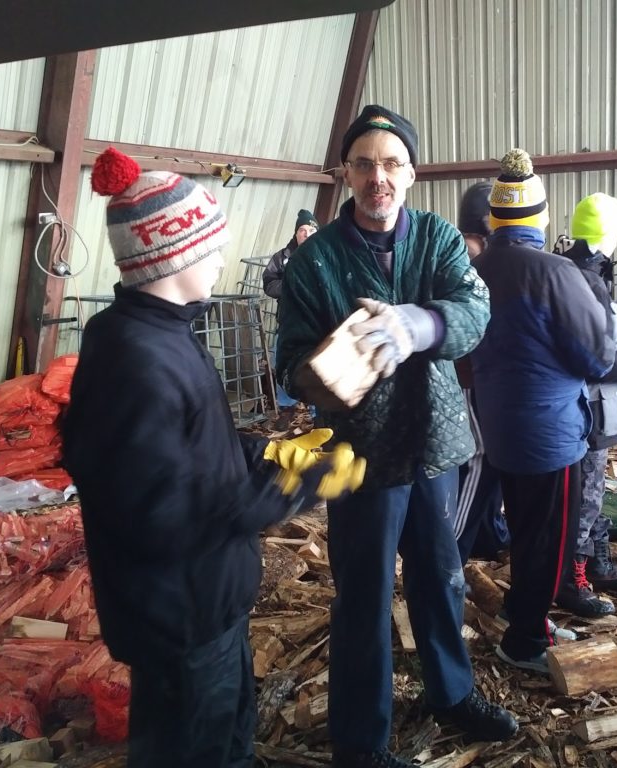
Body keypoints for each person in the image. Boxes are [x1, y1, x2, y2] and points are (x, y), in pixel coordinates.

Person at [63, 148, 362, 768]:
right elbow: (169, 511)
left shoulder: (159, 334)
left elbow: (196, 449)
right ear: (177, 254)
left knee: (227, 740)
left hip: (202, 608)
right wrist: (295, 484)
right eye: (214, 246)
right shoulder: (141, 363)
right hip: (181, 619)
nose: (224, 258)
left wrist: (265, 450)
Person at [276, 105, 517, 768]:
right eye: (364, 164)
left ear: (411, 172)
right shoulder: (316, 262)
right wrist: (327, 370)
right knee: (363, 593)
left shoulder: (437, 239)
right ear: (347, 173)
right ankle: (361, 742)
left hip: (431, 442)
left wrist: (417, 324)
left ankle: (452, 693)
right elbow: (289, 363)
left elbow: (474, 313)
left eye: (390, 163)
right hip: (359, 454)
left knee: (441, 576)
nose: (377, 177)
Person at [470, 152, 617, 672]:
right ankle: (525, 645)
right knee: (546, 541)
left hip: (497, 424)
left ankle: (527, 616)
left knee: (522, 525)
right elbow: (596, 356)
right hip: (550, 432)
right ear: (540, 217)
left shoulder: (475, 270)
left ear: (494, 219)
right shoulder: (555, 274)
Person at [552, 193, 617, 617]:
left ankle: (598, 563)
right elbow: (594, 356)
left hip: (598, 404)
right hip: (587, 405)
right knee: (586, 494)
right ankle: (573, 580)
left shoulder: (588, 270)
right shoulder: (585, 277)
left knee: (595, 488)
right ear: (610, 232)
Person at [452, 181, 509, 563]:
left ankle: (486, 531)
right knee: (478, 458)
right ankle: (449, 552)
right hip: (469, 375)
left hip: (492, 375)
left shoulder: (497, 258)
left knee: (496, 459)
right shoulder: (460, 260)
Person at [261, 209, 319, 430]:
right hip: (287, 321)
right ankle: (287, 409)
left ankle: (317, 412)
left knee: (316, 365)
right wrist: (290, 287)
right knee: (282, 362)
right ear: (296, 234)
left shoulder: (323, 255)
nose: (305, 234)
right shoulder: (282, 257)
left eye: (310, 230)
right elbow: (268, 283)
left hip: (315, 323)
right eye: (302, 230)